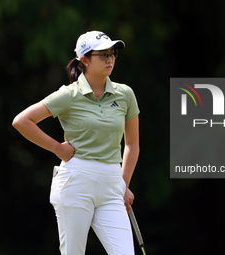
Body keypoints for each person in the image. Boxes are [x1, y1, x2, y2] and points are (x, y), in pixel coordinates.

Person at [12, 31, 139, 255]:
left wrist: (123, 184)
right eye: (103, 54)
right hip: (77, 181)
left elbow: (132, 145)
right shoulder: (69, 95)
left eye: (113, 53)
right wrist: (57, 148)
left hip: (112, 184)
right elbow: (22, 121)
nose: (110, 59)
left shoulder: (125, 94)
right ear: (85, 60)